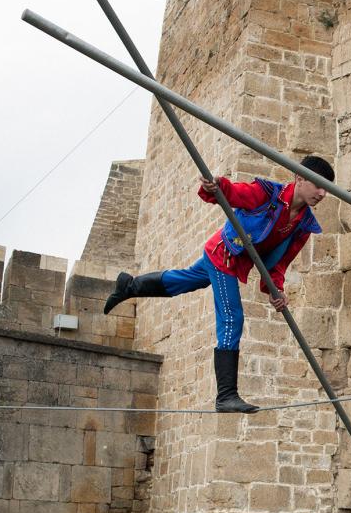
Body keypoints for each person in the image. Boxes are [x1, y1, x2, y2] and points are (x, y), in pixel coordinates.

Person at [103, 155, 334, 412]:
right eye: (318, 185)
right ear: (299, 178)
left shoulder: (303, 224)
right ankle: (226, 395)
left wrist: (274, 288)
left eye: (327, 189)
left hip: (234, 260)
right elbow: (235, 193)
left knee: (186, 280)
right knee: (232, 317)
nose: (322, 193)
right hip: (223, 255)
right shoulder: (267, 194)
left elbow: (281, 262)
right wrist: (217, 186)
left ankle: (130, 286)